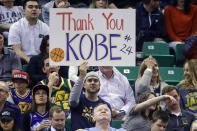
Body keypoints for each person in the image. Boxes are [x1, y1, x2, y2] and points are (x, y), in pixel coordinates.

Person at [69, 62, 111, 131]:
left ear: (100, 85)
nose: (92, 82)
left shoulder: (105, 106)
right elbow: (72, 100)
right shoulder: (78, 100)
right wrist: (81, 77)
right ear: (84, 85)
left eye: (95, 80)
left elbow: (107, 127)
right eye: (89, 80)